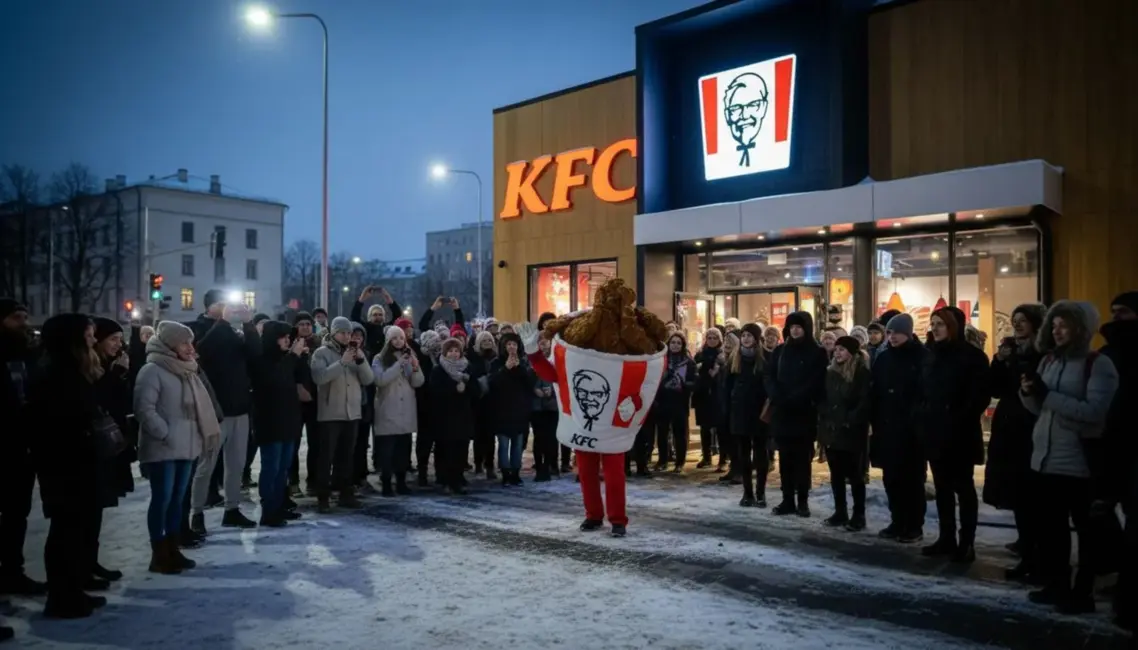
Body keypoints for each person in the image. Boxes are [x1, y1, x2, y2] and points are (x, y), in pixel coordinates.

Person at [1021, 300, 1119, 614]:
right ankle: (1057, 583)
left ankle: (1083, 591)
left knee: (1085, 532)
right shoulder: (1049, 360)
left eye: (1064, 325)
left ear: (1081, 329)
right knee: (1052, 530)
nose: (1057, 331)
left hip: (1078, 462)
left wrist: (1048, 396)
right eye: (1054, 325)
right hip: (1045, 458)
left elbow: (1094, 413)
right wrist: (1029, 393)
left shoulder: (1098, 364)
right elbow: (1039, 410)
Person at [28, 314, 107, 618]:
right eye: (88, 335)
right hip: (65, 464)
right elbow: (57, 422)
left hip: (78, 461)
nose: (92, 340)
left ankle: (73, 589)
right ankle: (63, 596)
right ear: (72, 339)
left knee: (76, 530)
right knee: (66, 531)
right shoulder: (55, 373)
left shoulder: (72, 369)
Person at [135, 321, 221, 575]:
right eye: (184, 342)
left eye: (190, 342)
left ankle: (173, 547)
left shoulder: (187, 369)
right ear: (170, 343)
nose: (189, 347)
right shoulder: (152, 370)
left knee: (177, 499)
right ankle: (159, 552)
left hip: (187, 444)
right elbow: (144, 408)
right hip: (164, 447)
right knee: (162, 498)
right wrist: (165, 432)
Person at [918, 306, 991, 563]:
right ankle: (946, 537)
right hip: (935, 432)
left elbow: (980, 396)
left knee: (964, 488)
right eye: (933, 323)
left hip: (960, 434)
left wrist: (958, 417)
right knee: (942, 488)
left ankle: (966, 542)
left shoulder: (972, 357)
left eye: (941, 324)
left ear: (954, 327)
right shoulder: (930, 355)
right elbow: (924, 391)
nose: (935, 328)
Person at [188, 290, 261, 535]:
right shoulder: (199, 328)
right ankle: (196, 512)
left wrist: (249, 323)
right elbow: (203, 352)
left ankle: (232, 509)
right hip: (214, 410)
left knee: (236, 464)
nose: (227, 308)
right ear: (211, 307)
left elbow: (254, 355)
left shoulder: (233, 330)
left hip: (239, 407)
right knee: (205, 465)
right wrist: (224, 322)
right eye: (222, 304)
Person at [983, 304, 1045, 580]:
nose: (1017, 325)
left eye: (1023, 321)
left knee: (1031, 490)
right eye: (1014, 320)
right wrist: (998, 360)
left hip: (1031, 424)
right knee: (1015, 486)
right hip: (1008, 422)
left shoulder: (1042, 352)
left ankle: (1035, 552)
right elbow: (994, 387)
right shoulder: (1010, 350)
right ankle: (1026, 542)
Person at [0, 299, 45, 604]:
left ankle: (13, 572)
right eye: (17, 318)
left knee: (17, 515)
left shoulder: (27, 355)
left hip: (22, 448)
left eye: (26, 317)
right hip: (4, 443)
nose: (25, 323)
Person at [869, 313, 929, 543]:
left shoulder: (921, 357)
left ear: (909, 332)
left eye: (897, 333)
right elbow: (875, 390)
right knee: (891, 478)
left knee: (912, 479)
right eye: (890, 333)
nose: (892, 337)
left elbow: (925, 393)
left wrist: (915, 416)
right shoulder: (884, 358)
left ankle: (914, 525)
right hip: (887, 427)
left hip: (912, 431)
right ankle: (897, 520)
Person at [765, 311, 828, 517]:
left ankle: (802, 501)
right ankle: (787, 500)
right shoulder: (781, 351)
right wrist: (777, 394)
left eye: (799, 327)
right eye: (791, 327)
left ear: (806, 328)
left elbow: (817, 381)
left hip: (804, 413)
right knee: (785, 459)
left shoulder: (816, 352)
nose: (794, 330)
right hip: (783, 412)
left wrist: (798, 396)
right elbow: (770, 376)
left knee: (802, 460)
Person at [310, 317, 374, 512]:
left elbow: (369, 379)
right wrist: (342, 362)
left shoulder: (355, 353)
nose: (347, 336)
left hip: (351, 413)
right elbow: (319, 378)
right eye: (343, 333)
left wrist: (360, 360)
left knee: (347, 457)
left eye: (349, 333)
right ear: (334, 333)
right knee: (326, 457)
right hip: (331, 413)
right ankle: (323, 497)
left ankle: (346, 493)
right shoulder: (321, 353)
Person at [1100, 292, 1137, 629]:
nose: (1116, 318)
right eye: (1113, 312)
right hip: (1116, 447)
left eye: (1123, 312)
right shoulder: (1107, 354)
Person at [89, 318, 134, 587]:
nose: (118, 344)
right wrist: (116, 376)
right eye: (113, 339)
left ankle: (90, 562)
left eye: (120, 339)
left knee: (95, 513)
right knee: (83, 515)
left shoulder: (109, 366)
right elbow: (100, 400)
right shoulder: (93, 369)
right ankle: (79, 570)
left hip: (109, 444)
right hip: (93, 446)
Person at [250, 321, 306, 526]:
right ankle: (269, 510)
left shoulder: (286, 358)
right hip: (270, 423)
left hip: (288, 421)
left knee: (283, 468)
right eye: (284, 337)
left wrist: (298, 357)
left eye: (289, 338)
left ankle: (280, 504)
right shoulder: (262, 359)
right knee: (271, 468)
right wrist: (293, 356)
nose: (288, 340)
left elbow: (298, 378)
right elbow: (274, 380)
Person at [818, 336, 872, 531]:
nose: (837, 352)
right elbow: (822, 397)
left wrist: (849, 418)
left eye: (842, 349)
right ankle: (840, 511)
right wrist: (825, 414)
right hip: (831, 429)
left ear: (852, 352)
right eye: (837, 349)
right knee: (836, 474)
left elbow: (864, 401)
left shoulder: (861, 373)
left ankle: (859, 514)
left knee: (855, 474)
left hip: (851, 430)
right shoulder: (829, 372)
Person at [371, 326, 424, 496]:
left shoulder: (410, 356)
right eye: (394, 338)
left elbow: (417, 382)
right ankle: (386, 482)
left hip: (406, 410)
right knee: (387, 451)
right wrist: (398, 364)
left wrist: (415, 367)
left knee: (403, 450)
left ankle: (401, 482)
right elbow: (380, 380)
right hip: (388, 409)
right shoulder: (379, 359)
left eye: (401, 338)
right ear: (388, 341)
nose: (399, 341)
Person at [429, 338, 481, 494]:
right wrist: (454, 389)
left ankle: (458, 478)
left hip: (463, 415)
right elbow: (435, 391)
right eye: (450, 351)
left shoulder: (468, 368)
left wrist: (466, 387)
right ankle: (446, 479)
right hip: (445, 416)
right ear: (445, 353)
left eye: (456, 351)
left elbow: (476, 391)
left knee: (461, 449)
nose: (453, 354)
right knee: (446, 449)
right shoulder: (438, 370)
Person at [730, 323, 770, 507]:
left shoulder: (765, 358)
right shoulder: (734, 358)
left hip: (760, 413)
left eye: (749, 335)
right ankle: (747, 492)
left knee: (761, 455)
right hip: (740, 412)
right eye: (743, 335)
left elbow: (770, 386)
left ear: (756, 338)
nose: (745, 338)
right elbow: (726, 386)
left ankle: (761, 492)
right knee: (743, 455)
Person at [489, 332, 534, 486]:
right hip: (502, 409)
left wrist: (520, 368)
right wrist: (506, 369)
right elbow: (493, 382)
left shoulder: (523, 362)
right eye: (508, 344)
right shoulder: (496, 363)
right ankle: (505, 472)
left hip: (519, 410)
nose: (511, 347)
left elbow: (529, 383)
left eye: (514, 344)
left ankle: (515, 472)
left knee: (518, 443)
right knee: (503, 444)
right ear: (503, 346)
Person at [655, 332, 696, 472]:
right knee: (662, 433)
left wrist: (684, 384)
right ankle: (662, 461)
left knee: (680, 433)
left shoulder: (689, 362)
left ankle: (679, 462)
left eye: (678, 343)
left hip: (680, 401)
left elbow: (694, 382)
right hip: (663, 400)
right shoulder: (662, 360)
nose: (675, 345)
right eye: (673, 342)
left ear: (683, 345)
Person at [290, 312, 321, 496]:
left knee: (315, 443)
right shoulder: (290, 345)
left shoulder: (318, 345)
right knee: (293, 443)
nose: (305, 327)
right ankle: (292, 481)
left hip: (315, 399)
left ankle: (313, 480)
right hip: (294, 402)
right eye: (301, 324)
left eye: (308, 324)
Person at [694, 328, 726, 470]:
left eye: (715, 338)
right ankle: (706, 456)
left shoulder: (722, 355)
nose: (712, 340)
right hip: (703, 394)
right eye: (709, 338)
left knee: (720, 428)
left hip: (718, 395)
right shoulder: (700, 354)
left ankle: (723, 459)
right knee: (704, 428)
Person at [468, 331, 498, 479]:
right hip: (478, 402)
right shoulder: (474, 359)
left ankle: (490, 465)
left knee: (490, 437)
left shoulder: (496, 359)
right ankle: (478, 463)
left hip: (492, 402)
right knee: (479, 436)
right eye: (484, 340)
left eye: (489, 339)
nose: (487, 341)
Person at [530, 337, 560, 481]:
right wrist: (535, 390)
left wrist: (552, 393)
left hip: (553, 406)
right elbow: (528, 380)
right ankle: (539, 467)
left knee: (552, 438)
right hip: (536, 406)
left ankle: (550, 465)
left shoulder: (556, 359)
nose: (543, 345)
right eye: (540, 342)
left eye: (545, 342)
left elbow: (561, 380)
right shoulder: (531, 360)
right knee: (539, 438)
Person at [350, 285, 401, 360]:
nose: (378, 317)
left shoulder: (387, 328)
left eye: (380, 314)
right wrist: (362, 299)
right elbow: (355, 317)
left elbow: (397, 316)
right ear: (370, 316)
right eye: (375, 314)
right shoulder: (365, 328)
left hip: (386, 360)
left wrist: (388, 298)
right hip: (369, 359)